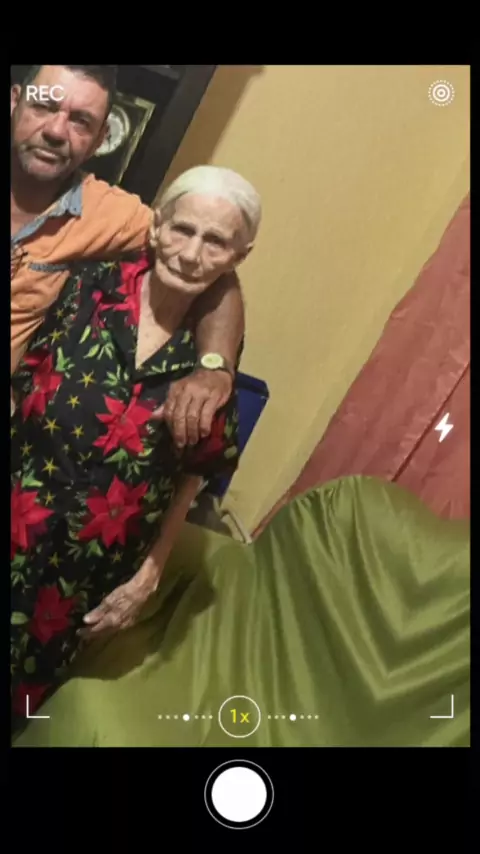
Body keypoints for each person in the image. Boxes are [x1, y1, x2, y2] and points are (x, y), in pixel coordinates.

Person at [10, 164, 262, 731]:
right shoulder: (88, 286)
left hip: (88, 569)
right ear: (156, 227)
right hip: (17, 519)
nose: (191, 253)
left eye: (215, 241)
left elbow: (196, 468)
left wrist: (151, 569)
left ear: (238, 257)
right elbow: (23, 386)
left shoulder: (214, 350)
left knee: (27, 703)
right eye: (183, 230)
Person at [11, 64, 245, 447]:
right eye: (44, 106)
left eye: (80, 121)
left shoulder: (111, 215)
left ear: (101, 138)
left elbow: (213, 271)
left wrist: (215, 366)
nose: (55, 131)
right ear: (15, 102)